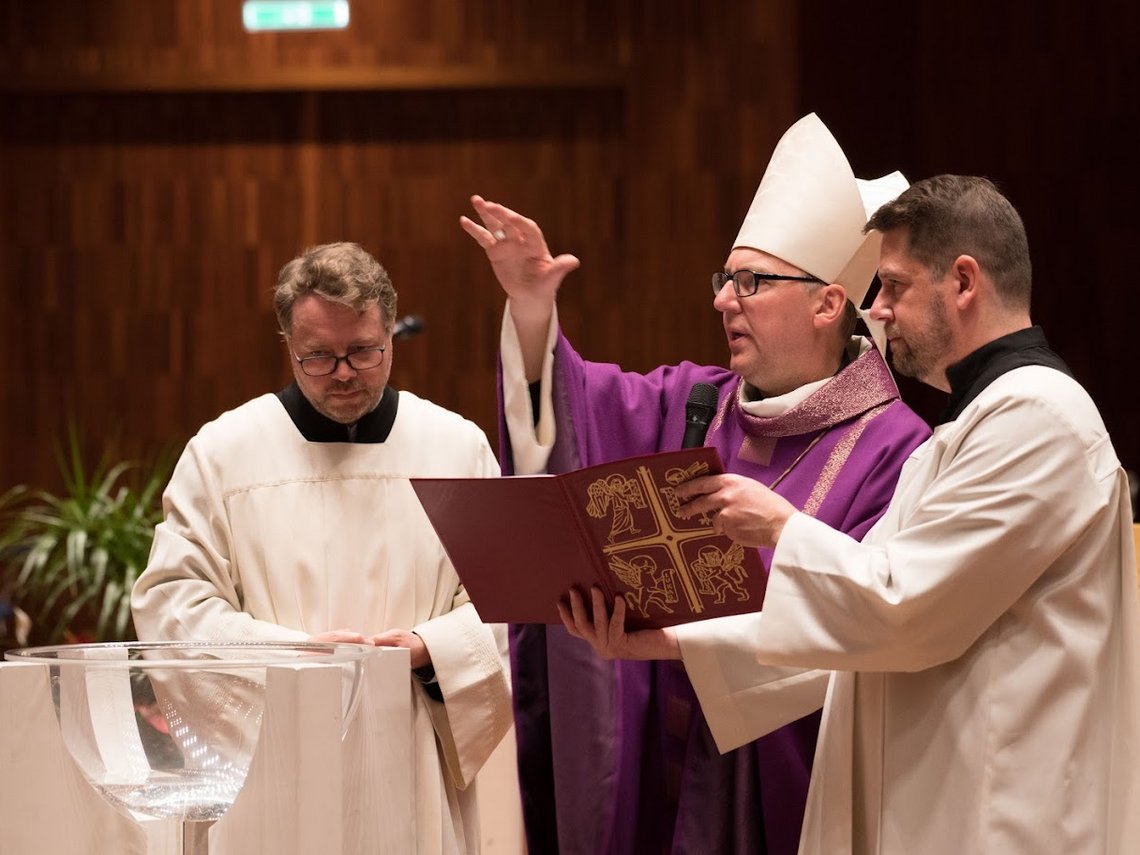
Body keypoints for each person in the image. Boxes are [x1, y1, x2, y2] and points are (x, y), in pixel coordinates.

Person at [563, 175, 1140, 853]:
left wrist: (782, 526)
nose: (880, 311)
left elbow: (899, 606)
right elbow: (854, 637)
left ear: (962, 282)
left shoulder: (1037, 417)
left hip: (1002, 817)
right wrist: (674, 641)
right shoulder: (971, 429)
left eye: (893, 286)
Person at [460, 114, 932, 854]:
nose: (722, 299)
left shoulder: (896, 451)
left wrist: (681, 643)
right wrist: (532, 308)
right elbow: (575, 409)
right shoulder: (695, 404)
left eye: (750, 281)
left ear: (827, 302)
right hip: (660, 769)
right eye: (725, 278)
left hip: (788, 788)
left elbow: (866, 627)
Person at [131, 242, 514, 855]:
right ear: (288, 343)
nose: (343, 372)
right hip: (275, 764)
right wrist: (297, 659)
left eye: (363, 351)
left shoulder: (455, 448)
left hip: (409, 752)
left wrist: (430, 649)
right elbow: (172, 604)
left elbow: (508, 598)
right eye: (319, 356)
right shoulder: (226, 452)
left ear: (391, 330)